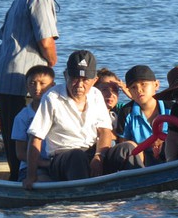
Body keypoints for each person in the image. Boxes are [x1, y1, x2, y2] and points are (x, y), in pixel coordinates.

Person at [0, 0, 83, 181]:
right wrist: (52, 65)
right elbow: (46, 41)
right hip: (25, 81)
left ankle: (19, 180)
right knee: (28, 135)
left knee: (14, 140)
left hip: (5, 79)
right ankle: (27, 184)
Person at [24, 50, 113, 189]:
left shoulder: (96, 95)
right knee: (77, 156)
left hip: (92, 154)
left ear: (95, 80)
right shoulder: (52, 98)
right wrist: (31, 176)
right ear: (66, 76)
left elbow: (105, 131)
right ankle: (84, 194)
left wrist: (99, 156)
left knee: (125, 149)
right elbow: (36, 138)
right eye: (75, 79)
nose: (79, 85)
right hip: (63, 159)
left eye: (85, 80)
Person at [110, 65, 171, 168]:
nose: (139, 90)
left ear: (156, 85)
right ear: (129, 91)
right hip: (140, 161)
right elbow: (124, 143)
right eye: (133, 87)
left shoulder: (170, 108)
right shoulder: (126, 112)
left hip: (169, 156)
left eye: (143, 84)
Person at [11, 65, 55, 182]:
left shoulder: (59, 110)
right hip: (31, 167)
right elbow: (20, 153)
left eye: (42, 83)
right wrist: (44, 163)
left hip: (56, 162)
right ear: (27, 87)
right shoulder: (23, 117)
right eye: (32, 83)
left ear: (53, 86)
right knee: (45, 181)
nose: (37, 88)